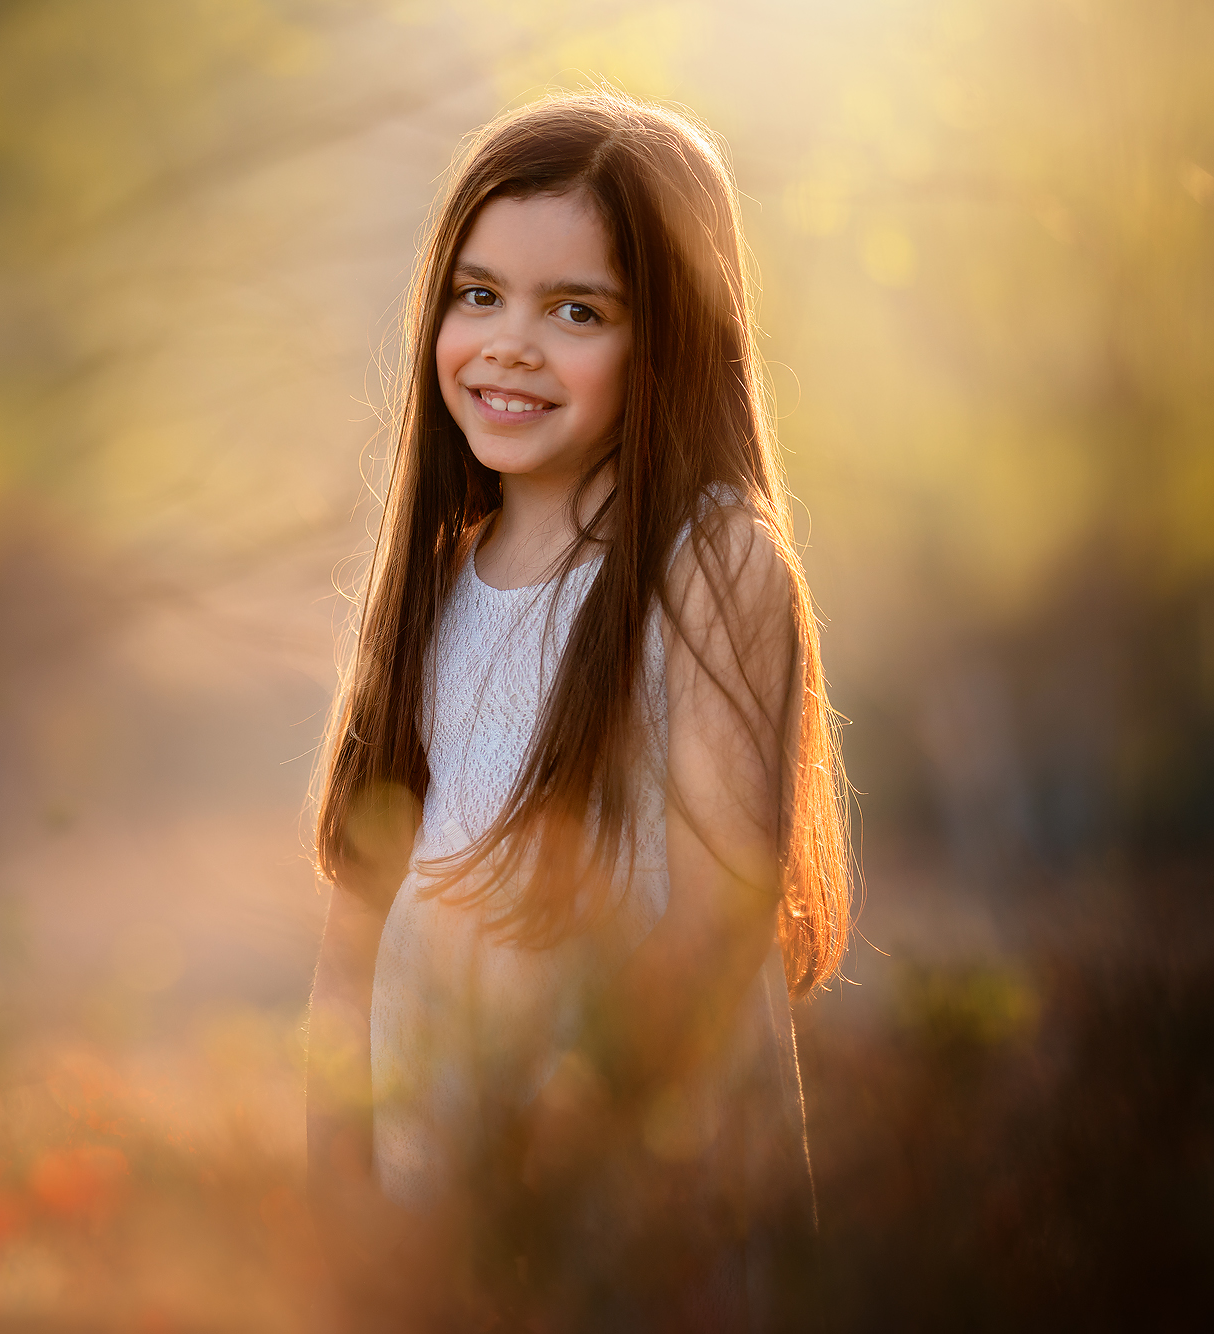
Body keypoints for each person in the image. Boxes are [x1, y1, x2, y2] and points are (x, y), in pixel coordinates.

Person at [306, 90, 851, 1330]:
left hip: (621, 1165)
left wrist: (558, 1138)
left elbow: (717, 917)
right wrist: (332, 1153)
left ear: (666, 341)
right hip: (432, 1158)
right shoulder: (437, 577)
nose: (506, 343)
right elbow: (360, 910)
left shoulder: (710, 563)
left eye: (575, 311)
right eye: (476, 293)